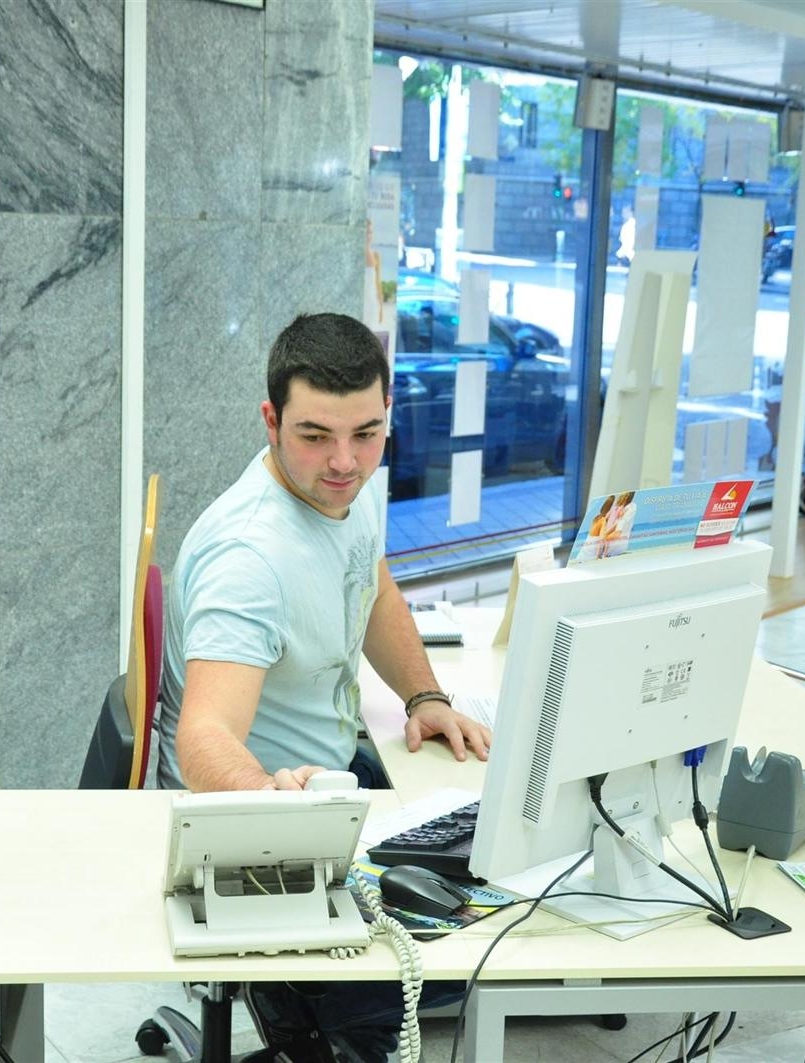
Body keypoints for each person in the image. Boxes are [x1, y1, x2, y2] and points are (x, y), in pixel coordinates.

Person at [156, 312, 490, 1062]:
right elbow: (203, 735)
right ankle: (318, 1020)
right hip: (264, 822)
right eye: (314, 436)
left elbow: (372, 585)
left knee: (497, 862)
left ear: (386, 415)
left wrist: (425, 696)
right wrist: (277, 811)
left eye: (366, 433)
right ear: (271, 420)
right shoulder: (249, 558)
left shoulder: (344, 486)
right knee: (446, 959)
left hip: (338, 781)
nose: (344, 461)